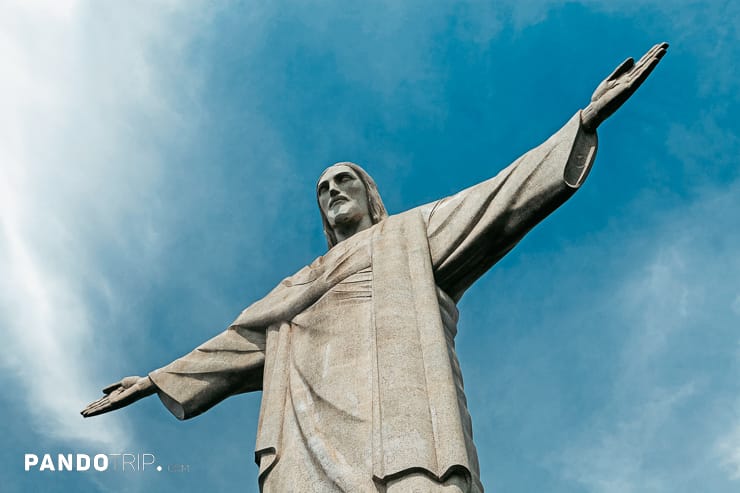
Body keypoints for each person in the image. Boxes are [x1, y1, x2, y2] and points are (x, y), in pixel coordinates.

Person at [82, 43, 668, 492]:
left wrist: (583, 122)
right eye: (322, 189)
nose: (333, 190)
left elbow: (500, 199)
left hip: (399, 417)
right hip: (307, 429)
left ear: (368, 194)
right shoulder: (298, 284)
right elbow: (238, 342)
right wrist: (154, 379)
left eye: (345, 180)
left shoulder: (410, 236)